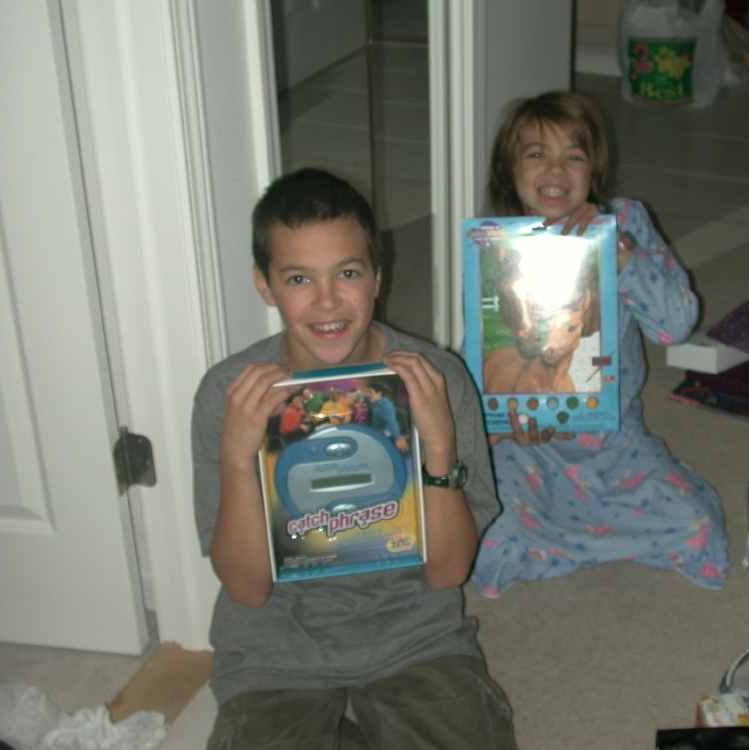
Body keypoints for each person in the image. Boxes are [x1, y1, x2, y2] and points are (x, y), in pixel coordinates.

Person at [191, 168, 516, 749]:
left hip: (415, 635)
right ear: (264, 285)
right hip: (274, 646)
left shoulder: (437, 380)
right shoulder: (229, 394)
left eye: (347, 273)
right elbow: (246, 589)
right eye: (298, 278)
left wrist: (439, 446)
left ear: (377, 275)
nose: (326, 301)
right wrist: (239, 461)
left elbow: (447, 573)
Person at [470, 90, 729, 598]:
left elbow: (675, 326)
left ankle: (568, 538)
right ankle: (578, 533)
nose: (555, 170)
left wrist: (620, 252)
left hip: (615, 441)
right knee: (488, 548)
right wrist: (493, 427)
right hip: (531, 449)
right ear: (509, 172)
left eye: (574, 156)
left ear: (594, 171)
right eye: (536, 154)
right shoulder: (495, 246)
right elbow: (478, 357)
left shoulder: (625, 223)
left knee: (700, 531)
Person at [364, 381, 409, 453]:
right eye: (368, 392)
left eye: (371, 392)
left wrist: (397, 437)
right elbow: (365, 397)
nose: (368, 395)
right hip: (374, 433)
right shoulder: (375, 401)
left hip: (383, 437)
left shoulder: (385, 406)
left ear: (379, 393)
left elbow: (392, 422)